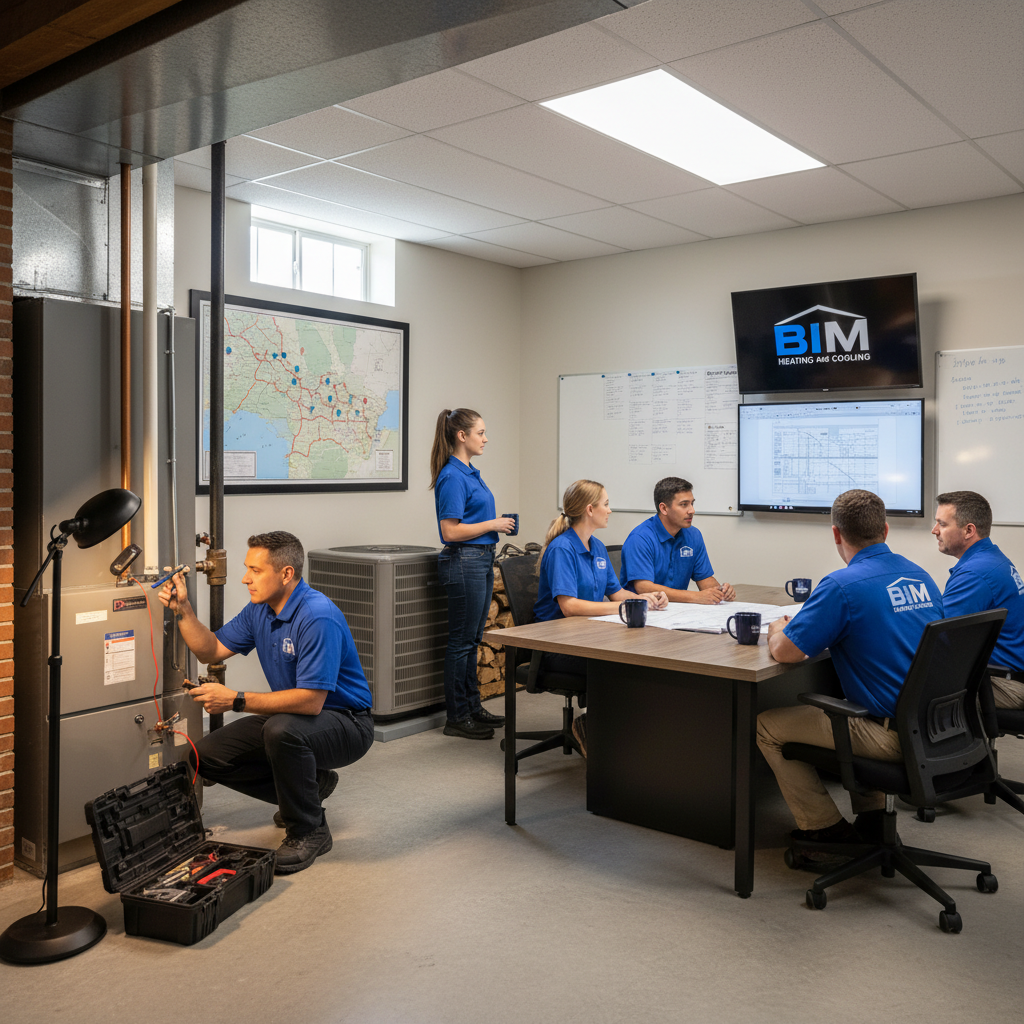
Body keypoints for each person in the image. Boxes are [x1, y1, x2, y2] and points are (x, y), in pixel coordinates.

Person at [159, 531, 374, 875]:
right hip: (292, 716)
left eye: (255, 571)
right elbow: (211, 650)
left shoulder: (316, 615)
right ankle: (311, 788)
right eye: (247, 568)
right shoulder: (260, 609)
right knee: (204, 756)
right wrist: (182, 608)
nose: (245, 578)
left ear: (286, 574)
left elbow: (311, 702)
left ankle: (309, 829)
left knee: (281, 730)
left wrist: (236, 700)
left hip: (346, 722)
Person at [756, 489, 943, 849]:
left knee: (767, 726)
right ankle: (873, 822)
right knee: (859, 699)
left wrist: (777, 629)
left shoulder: (843, 585)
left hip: (892, 736)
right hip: (938, 725)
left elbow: (786, 652)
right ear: (886, 530)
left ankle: (825, 832)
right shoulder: (919, 575)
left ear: (836, 534)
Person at [534, 479, 668, 755]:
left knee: (641, 660)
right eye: (606, 504)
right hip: (555, 646)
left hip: (586, 637)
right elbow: (569, 606)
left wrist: (645, 599)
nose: (610, 510)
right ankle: (590, 727)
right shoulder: (562, 549)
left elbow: (616, 592)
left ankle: (620, 737)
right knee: (619, 666)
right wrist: (622, 609)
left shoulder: (596, 546)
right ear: (589, 509)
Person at [430, 408, 517, 740]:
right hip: (463, 561)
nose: (485, 438)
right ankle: (457, 716)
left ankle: (472, 707)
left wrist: (495, 529)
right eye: (480, 433)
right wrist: (494, 524)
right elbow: (449, 532)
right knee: (461, 643)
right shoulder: (452, 476)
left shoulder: (470, 473)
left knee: (471, 641)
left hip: (480, 559)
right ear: (461, 436)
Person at [933, 490, 1024, 709]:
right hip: (1011, 672)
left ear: (969, 530)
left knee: (904, 685)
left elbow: (940, 642)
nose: (934, 531)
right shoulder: (993, 558)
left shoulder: (974, 574)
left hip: (1000, 681)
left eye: (942, 524)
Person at [619, 476, 735, 603]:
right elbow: (644, 587)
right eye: (684, 505)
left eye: (692, 503)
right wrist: (695, 597)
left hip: (678, 611)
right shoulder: (640, 538)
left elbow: (705, 579)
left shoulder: (693, 535)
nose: (692, 510)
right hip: (645, 611)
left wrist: (721, 591)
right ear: (664, 508)